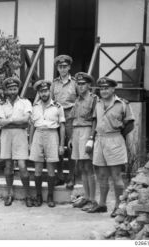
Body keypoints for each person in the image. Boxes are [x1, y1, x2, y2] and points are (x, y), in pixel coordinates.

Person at [88, 77, 134, 217]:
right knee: (101, 175)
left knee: (116, 176)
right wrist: (92, 138)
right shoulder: (98, 103)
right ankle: (102, 205)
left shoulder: (122, 104)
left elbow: (130, 124)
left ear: (113, 89)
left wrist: (118, 136)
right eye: (101, 88)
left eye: (107, 88)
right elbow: (95, 121)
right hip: (100, 140)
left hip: (114, 139)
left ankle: (118, 206)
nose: (104, 91)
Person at [0, 77, 33, 207]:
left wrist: (10, 121)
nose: (13, 91)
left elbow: (26, 121)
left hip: (20, 137)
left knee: (22, 166)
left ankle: (28, 195)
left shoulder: (25, 102)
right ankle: (10, 194)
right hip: (6, 137)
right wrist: (17, 121)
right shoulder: (1, 105)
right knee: (8, 166)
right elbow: (1, 122)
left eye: (15, 88)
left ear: (18, 89)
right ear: (6, 90)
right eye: (10, 89)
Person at [29, 80, 65, 207]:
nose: (43, 93)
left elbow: (62, 126)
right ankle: (38, 196)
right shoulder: (35, 107)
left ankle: (50, 196)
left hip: (52, 135)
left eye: (45, 91)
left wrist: (61, 144)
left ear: (49, 91)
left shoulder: (58, 106)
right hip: (38, 134)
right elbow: (32, 126)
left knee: (51, 168)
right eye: (41, 91)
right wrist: (30, 142)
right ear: (38, 93)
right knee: (37, 168)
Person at [68, 72, 98, 211]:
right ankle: (86, 197)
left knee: (89, 167)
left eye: (83, 84)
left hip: (86, 131)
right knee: (81, 167)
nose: (80, 86)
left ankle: (93, 200)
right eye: (78, 84)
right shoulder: (77, 100)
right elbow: (74, 118)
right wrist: (71, 138)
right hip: (77, 131)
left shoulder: (93, 99)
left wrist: (91, 138)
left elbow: (94, 120)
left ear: (89, 85)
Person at [51, 55, 77, 189]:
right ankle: (60, 176)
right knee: (58, 147)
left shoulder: (75, 83)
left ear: (69, 67)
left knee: (71, 147)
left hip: (71, 117)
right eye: (60, 67)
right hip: (57, 117)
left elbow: (79, 101)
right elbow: (50, 101)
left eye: (65, 66)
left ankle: (71, 177)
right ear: (57, 68)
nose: (62, 69)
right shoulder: (54, 83)